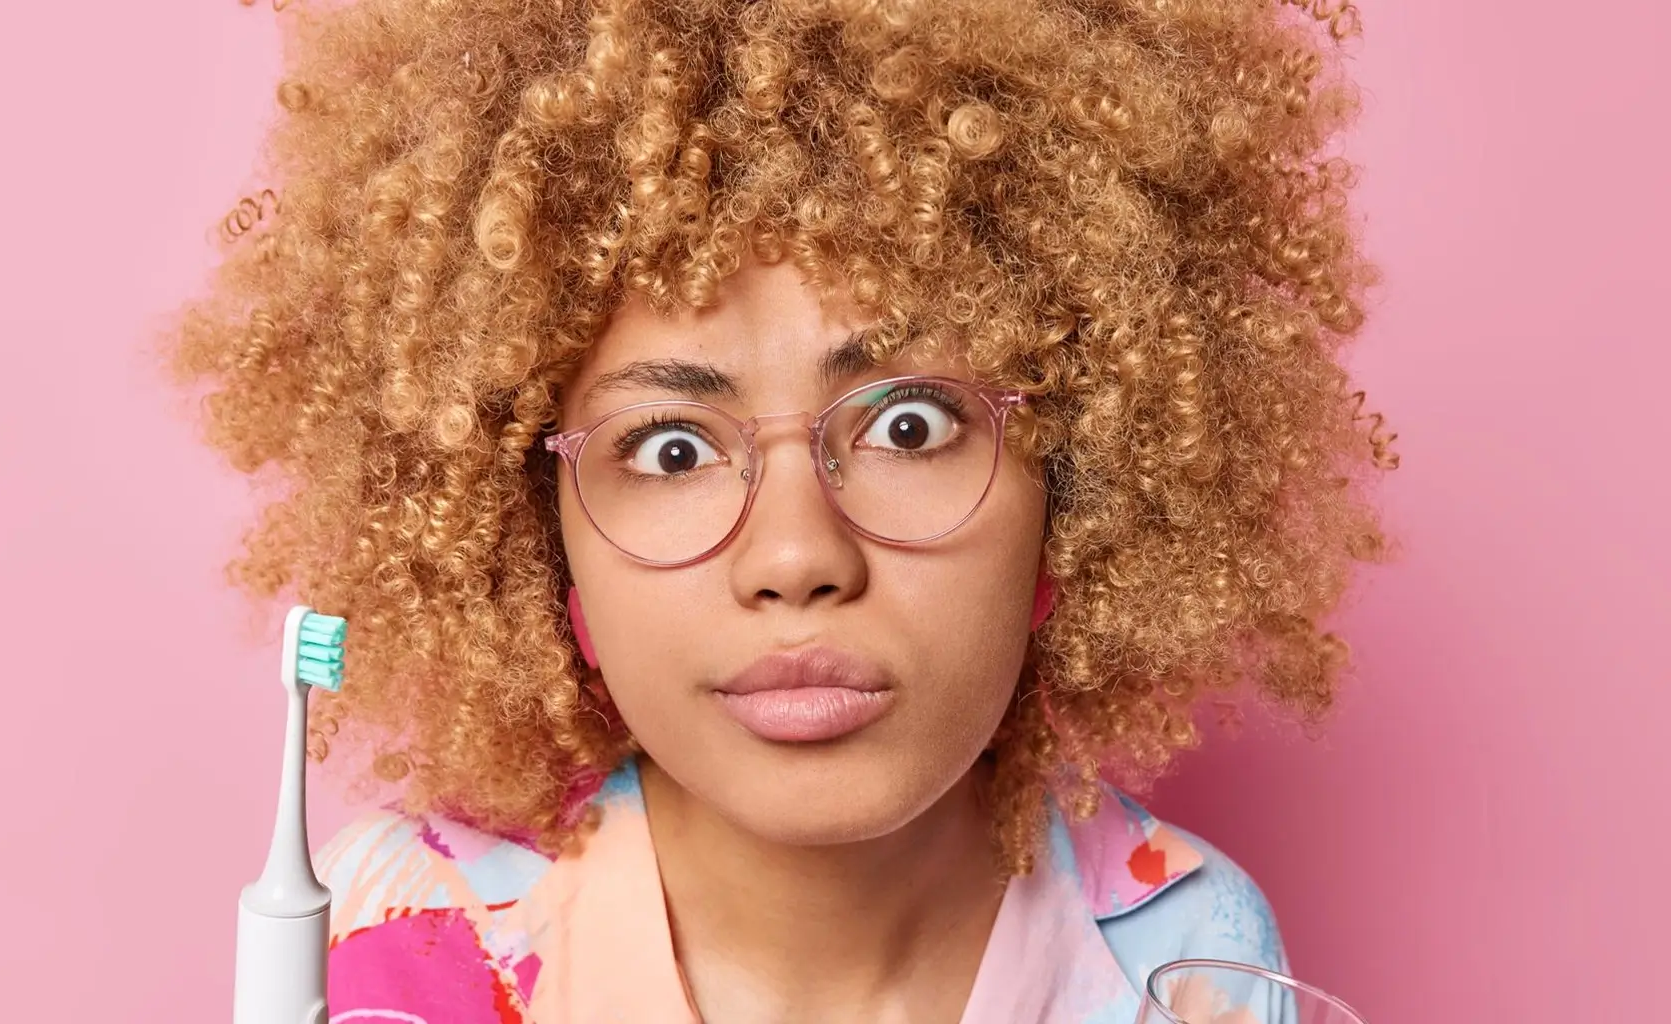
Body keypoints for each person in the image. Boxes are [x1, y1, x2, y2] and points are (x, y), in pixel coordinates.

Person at [172, 0, 1387, 1019]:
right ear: (538, 539)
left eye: (908, 423)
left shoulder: (1184, 957)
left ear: (1081, 487)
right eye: (670, 445)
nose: (796, 556)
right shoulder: (396, 937)